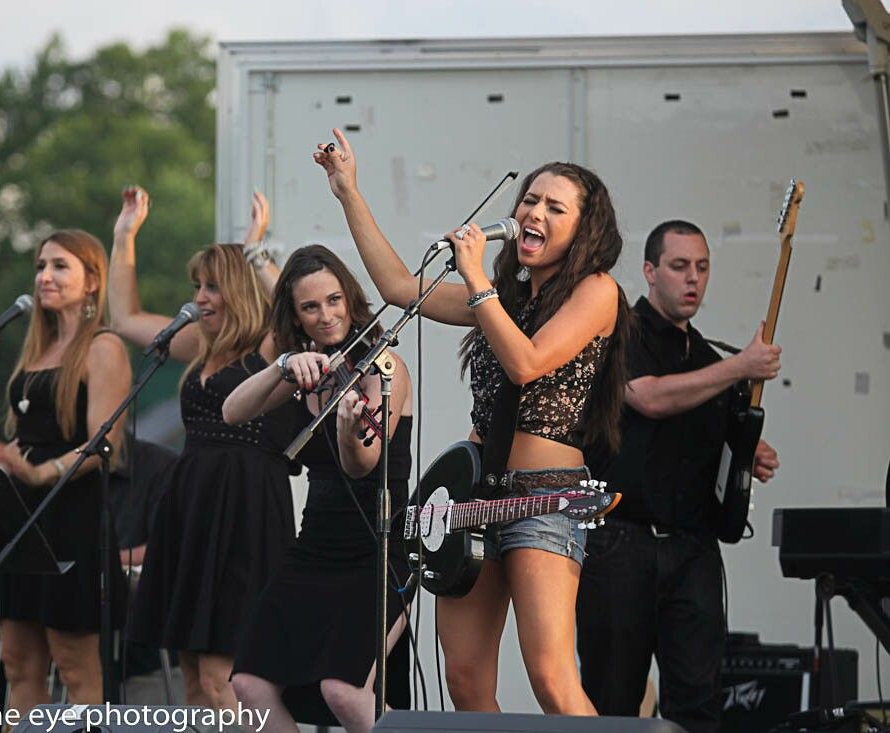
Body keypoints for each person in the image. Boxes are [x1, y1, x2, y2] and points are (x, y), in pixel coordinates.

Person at [312, 129, 632, 715]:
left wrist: (480, 279)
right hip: (473, 496)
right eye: (529, 200)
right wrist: (348, 191)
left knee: (551, 678)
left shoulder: (596, 290)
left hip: (545, 497)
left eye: (554, 207)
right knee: (464, 678)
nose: (533, 213)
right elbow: (399, 288)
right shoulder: (500, 296)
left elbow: (526, 362)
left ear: (585, 229)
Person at [575, 219, 781, 733]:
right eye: (679, 266)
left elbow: (708, 440)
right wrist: (741, 368)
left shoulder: (710, 359)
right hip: (621, 544)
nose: (693, 279)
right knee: (611, 703)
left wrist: (747, 452)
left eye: (702, 268)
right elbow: (649, 397)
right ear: (650, 271)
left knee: (697, 703)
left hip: (693, 549)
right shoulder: (618, 334)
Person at [110, 186, 297, 710]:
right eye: (197, 285)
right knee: (193, 678)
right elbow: (125, 319)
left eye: (213, 286)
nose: (200, 297)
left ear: (238, 290)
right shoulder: (200, 345)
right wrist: (124, 237)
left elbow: (297, 312)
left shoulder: (266, 346)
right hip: (192, 509)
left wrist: (255, 253)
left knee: (223, 679)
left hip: (243, 512)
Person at [223, 244, 414, 733]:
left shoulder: (384, 368)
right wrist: (283, 364)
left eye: (333, 300)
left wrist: (349, 430)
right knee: (249, 683)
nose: (326, 316)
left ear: (350, 299)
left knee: (343, 691)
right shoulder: (308, 370)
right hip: (316, 548)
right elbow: (232, 412)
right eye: (310, 307)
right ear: (295, 317)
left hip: (379, 548)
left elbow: (362, 466)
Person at [0, 229, 132, 716]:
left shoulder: (103, 346)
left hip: (72, 518)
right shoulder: (38, 350)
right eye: (40, 266)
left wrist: (43, 473)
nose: (44, 276)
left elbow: (102, 443)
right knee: (17, 664)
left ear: (92, 281)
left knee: (75, 668)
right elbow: (21, 444)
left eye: (59, 266)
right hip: (21, 520)